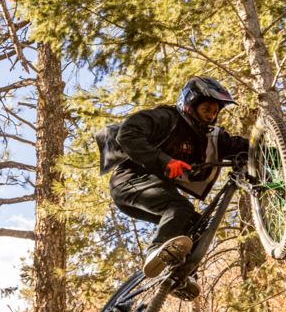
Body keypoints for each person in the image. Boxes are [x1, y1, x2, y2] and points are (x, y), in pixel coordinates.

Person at [97, 77, 249, 294]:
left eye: (215, 111)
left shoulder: (209, 138)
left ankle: (178, 277)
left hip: (154, 189)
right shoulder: (166, 118)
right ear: (190, 103)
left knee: (196, 226)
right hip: (128, 181)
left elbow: (243, 147)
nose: (211, 115)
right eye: (207, 108)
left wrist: (284, 156)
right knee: (179, 208)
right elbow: (127, 133)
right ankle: (155, 250)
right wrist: (164, 160)